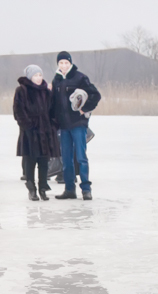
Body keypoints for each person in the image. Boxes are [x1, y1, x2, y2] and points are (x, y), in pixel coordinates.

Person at [51, 51, 101, 200]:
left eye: (66, 62)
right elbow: (54, 104)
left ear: (70, 63)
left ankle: (86, 189)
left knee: (81, 157)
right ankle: (69, 190)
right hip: (64, 126)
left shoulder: (80, 77)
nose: (64, 65)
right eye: (61, 63)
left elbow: (95, 95)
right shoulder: (56, 80)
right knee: (66, 160)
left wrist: (84, 109)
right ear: (58, 64)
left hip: (78, 124)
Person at [14, 65, 60, 201]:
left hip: (45, 131)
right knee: (30, 160)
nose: (39, 78)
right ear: (29, 77)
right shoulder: (21, 91)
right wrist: (28, 126)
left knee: (44, 162)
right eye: (35, 75)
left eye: (40, 75)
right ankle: (31, 188)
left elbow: (53, 110)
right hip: (30, 132)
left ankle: (42, 188)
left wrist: (53, 125)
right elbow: (18, 111)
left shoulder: (46, 91)